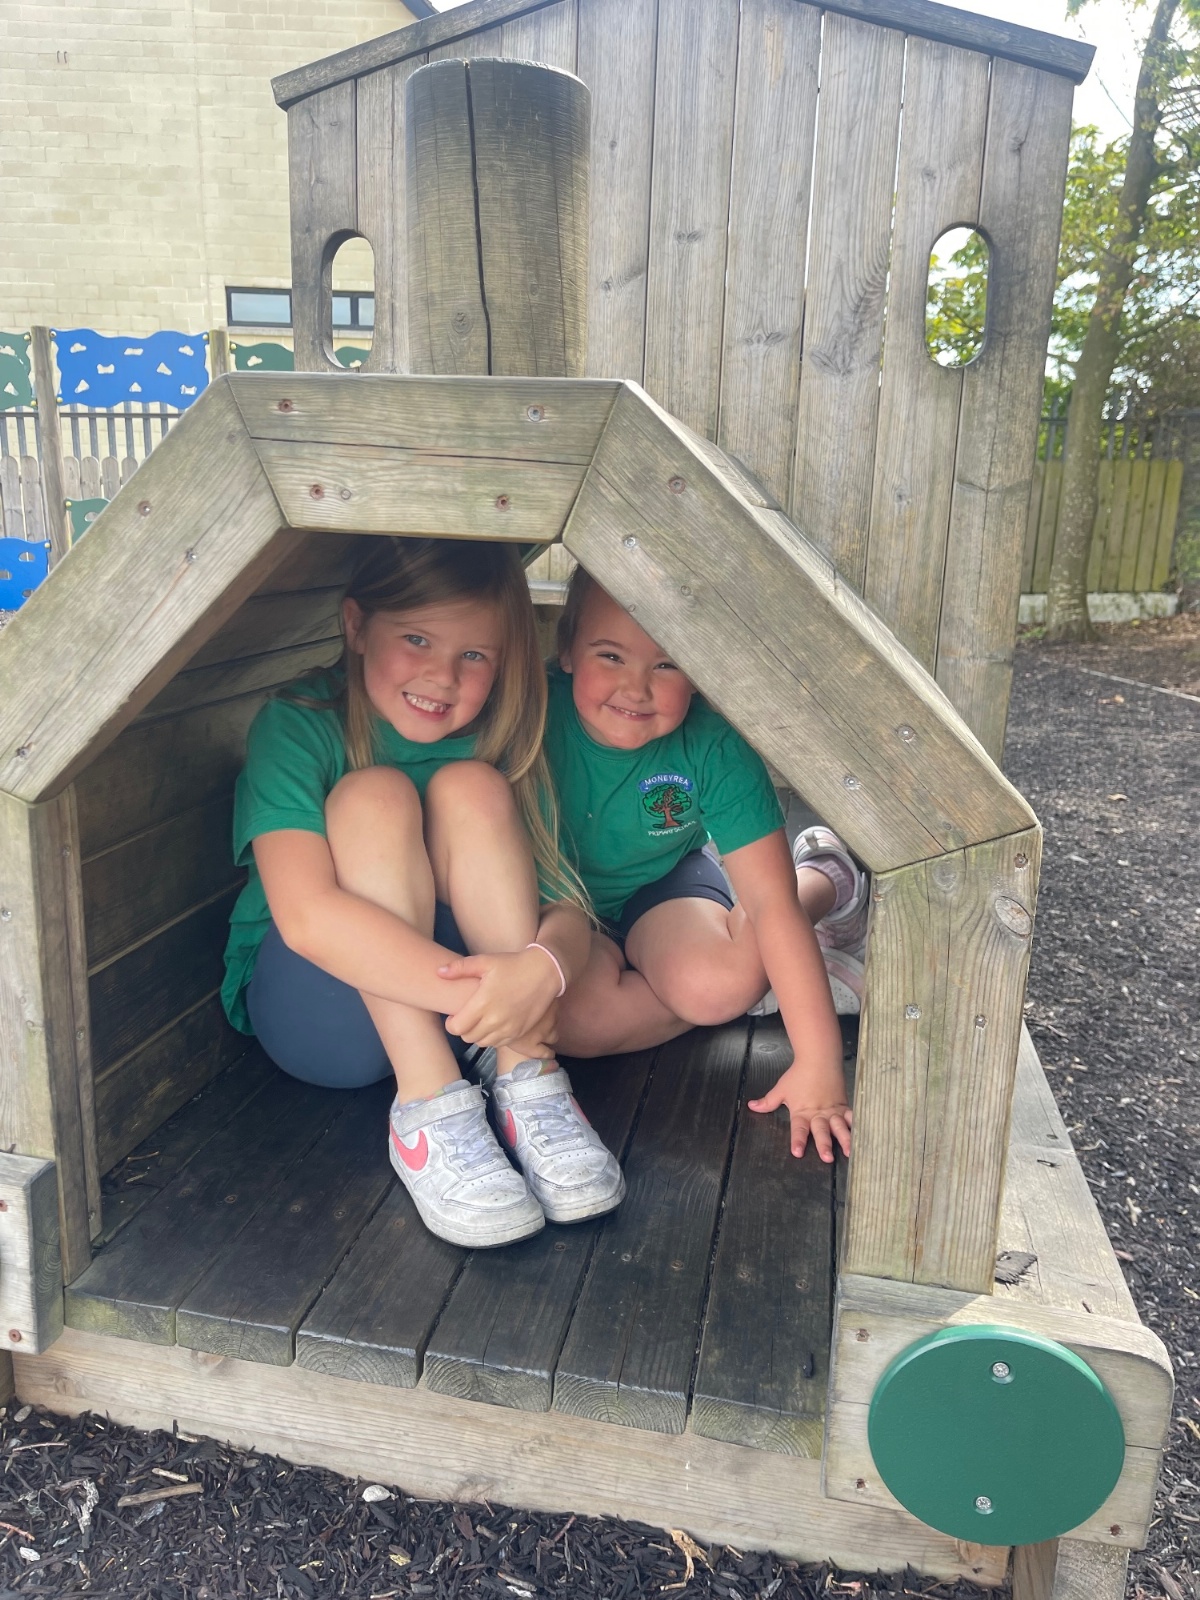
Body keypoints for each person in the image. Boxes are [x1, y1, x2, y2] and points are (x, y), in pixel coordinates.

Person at [220, 538, 622, 1250]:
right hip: (322, 1015)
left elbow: (564, 908)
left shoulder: (496, 741)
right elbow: (307, 919)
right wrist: (498, 1002)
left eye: (474, 655)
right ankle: (428, 1105)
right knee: (373, 796)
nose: (443, 676)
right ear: (356, 626)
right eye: (415, 639)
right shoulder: (300, 724)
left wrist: (540, 973)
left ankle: (527, 1083)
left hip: (464, 1013)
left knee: (473, 788)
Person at [544, 570, 866, 1164]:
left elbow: (768, 903)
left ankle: (824, 879)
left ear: (700, 670)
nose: (636, 688)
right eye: (610, 656)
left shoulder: (713, 746)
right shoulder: (528, 712)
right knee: (570, 1026)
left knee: (718, 989)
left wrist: (819, 1062)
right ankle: (745, 966)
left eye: (667, 664)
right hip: (558, 905)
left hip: (662, 882)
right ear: (566, 649)